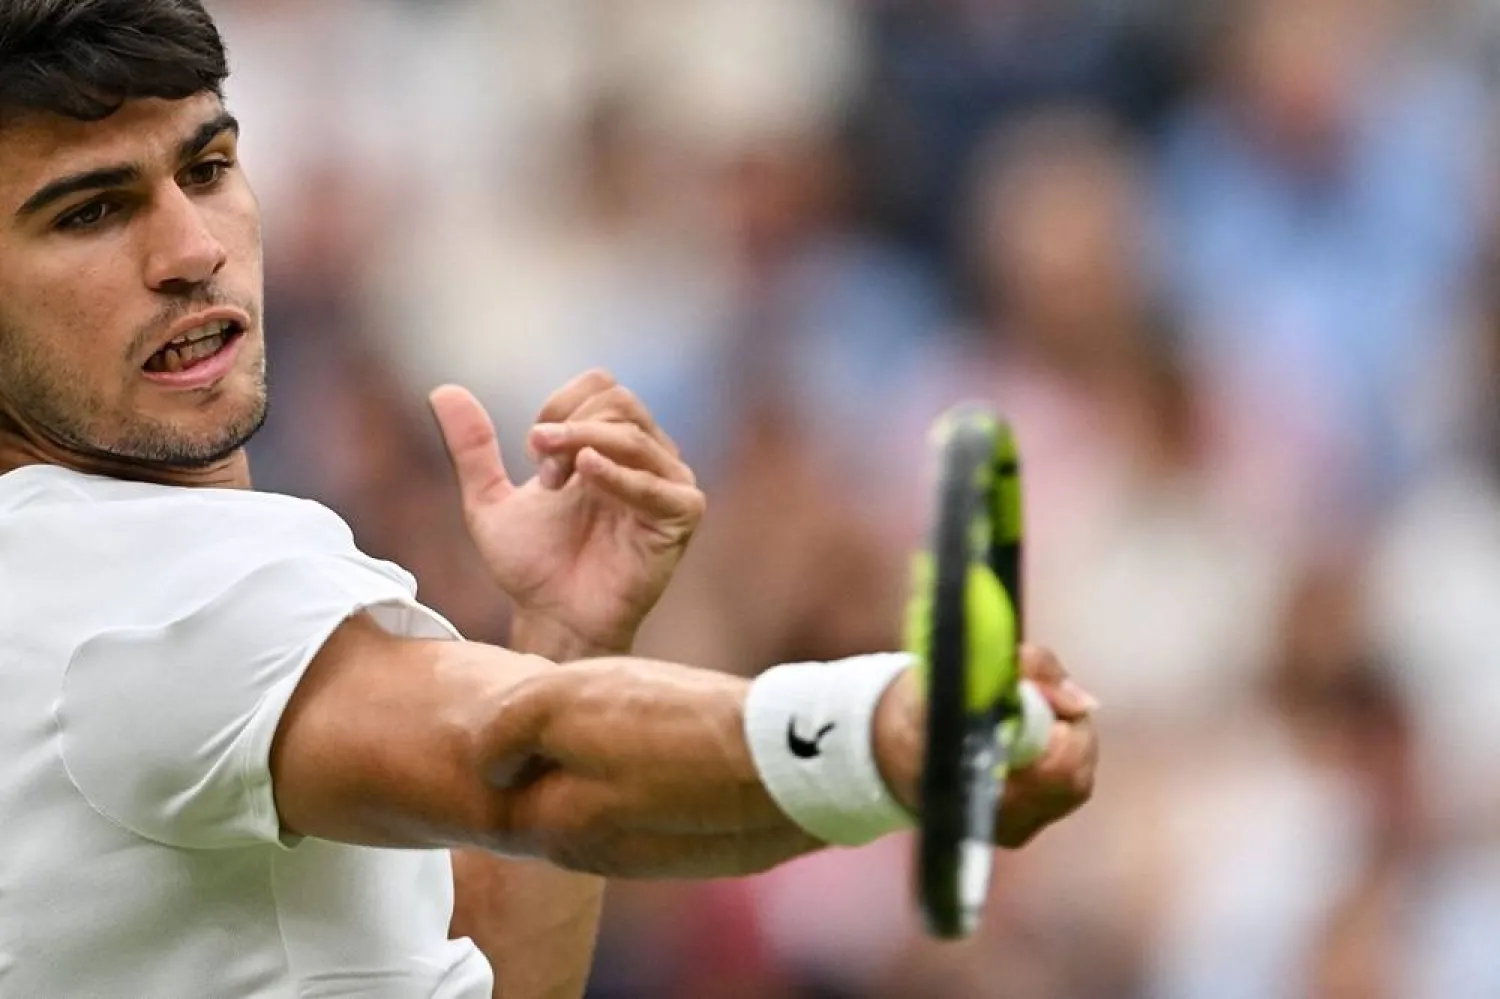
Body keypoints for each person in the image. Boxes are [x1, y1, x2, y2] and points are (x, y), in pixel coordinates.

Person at [0, 2, 1100, 997]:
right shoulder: (144, 593)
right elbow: (531, 766)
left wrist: (565, 641)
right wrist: (883, 736)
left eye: (207, 168)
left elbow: (484, 969)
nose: (192, 250)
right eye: (91, 214)